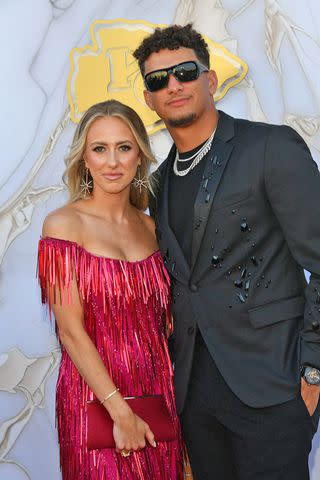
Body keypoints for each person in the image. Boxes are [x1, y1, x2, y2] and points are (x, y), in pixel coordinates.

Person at [133, 23, 320, 480]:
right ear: (149, 99)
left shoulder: (269, 147)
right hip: (195, 397)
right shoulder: (155, 186)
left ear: (210, 79)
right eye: (159, 80)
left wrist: (313, 367)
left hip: (271, 386)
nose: (174, 85)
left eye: (185, 72)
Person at [37, 99, 184, 480]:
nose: (112, 162)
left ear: (140, 155)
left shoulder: (154, 230)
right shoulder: (63, 226)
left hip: (156, 393)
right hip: (95, 398)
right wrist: (120, 412)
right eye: (99, 149)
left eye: (124, 147)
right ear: (84, 159)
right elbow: (69, 331)